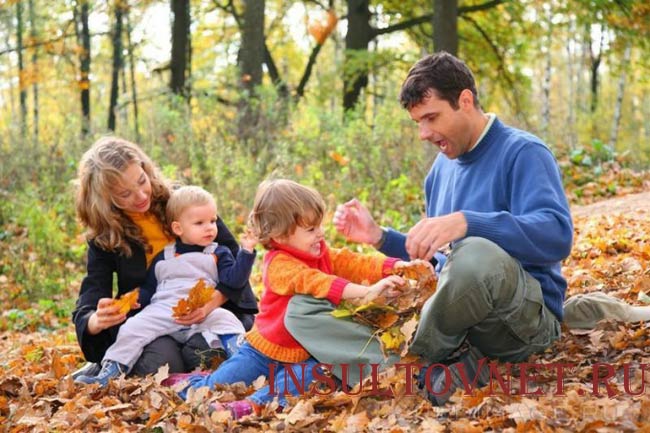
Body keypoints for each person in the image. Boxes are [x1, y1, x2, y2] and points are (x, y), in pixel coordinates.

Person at [284, 51, 574, 405]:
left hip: (519, 322)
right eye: (418, 122)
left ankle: (410, 362)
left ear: (465, 101)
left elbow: (557, 235)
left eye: (431, 117)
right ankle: (427, 370)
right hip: (453, 322)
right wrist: (379, 237)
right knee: (301, 307)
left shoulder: (523, 152)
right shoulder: (440, 170)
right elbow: (439, 261)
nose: (424, 133)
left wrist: (468, 222)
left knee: (475, 249)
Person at [172, 179, 422, 419]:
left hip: (310, 351)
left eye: (319, 226)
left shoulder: (320, 251)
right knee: (220, 383)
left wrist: (397, 265)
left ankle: (253, 405)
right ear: (280, 236)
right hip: (265, 349)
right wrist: (366, 292)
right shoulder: (280, 265)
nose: (321, 234)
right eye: (311, 229)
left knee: (304, 378)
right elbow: (317, 282)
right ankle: (189, 385)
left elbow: (353, 262)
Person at [72, 137, 258, 378]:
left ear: (146, 169)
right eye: (124, 194)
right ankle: (110, 365)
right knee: (159, 366)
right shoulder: (105, 237)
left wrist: (210, 302)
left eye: (142, 181)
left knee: (206, 354)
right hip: (154, 319)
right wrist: (95, 320)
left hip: (209, 310)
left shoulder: (184, 202)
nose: (140, 196)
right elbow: (92, 292)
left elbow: (233, 259)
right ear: (104, 198)